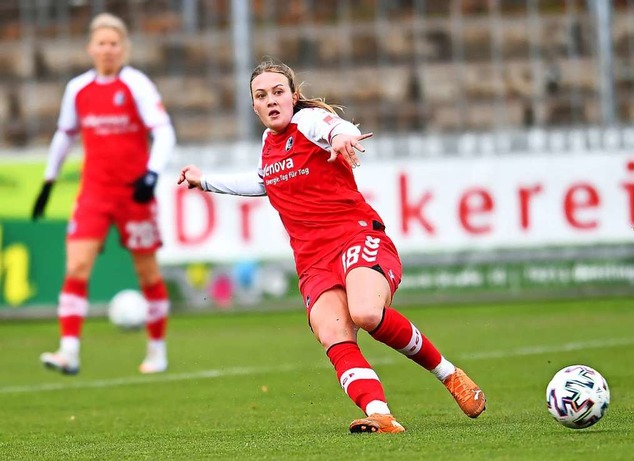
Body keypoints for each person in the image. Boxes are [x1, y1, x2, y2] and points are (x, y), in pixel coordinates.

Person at [177, 59, 486, 433]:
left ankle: (449, 375)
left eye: (278, 92)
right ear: (254, 106)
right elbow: (263, 181)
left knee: (367, 314)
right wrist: (205, 180)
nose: (271, 101)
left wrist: (341, 136)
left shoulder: (307, 123)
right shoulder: (268, 144)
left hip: (357, 236)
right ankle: (381, 415)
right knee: (333, 333)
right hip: (313, 260)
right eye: (262, 96)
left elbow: (334, 126)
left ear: (293, 96)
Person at [32, 12, 175, 375]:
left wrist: (151, 175)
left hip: (134, 194)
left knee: (147, 273)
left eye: (114, 43)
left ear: (123, 48)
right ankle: (69, 351)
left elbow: (164, 131)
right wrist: (49, 181)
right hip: (94, 192)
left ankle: (157, 351)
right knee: (77, 265)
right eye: (102, 43)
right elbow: (65, 134)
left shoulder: (136, 84)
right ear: (90, 48)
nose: (108, 49)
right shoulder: (78, 89)